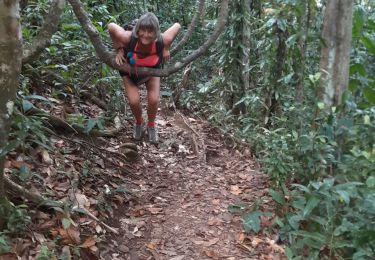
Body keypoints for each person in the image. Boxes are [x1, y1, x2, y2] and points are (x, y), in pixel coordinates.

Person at [108, 12, 181, 144]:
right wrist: (119, 49)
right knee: (133, 101)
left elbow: (177, 25)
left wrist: (166, 47)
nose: (146, 35)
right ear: (137, 30)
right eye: (143, 30)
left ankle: (151, 126)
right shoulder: (127, 38)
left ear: (156, 33)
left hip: (151, 71)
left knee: (153, 99)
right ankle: (138, 123)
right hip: (130, 71)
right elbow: (111, 26)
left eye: (150, 32)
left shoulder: (163, 39)